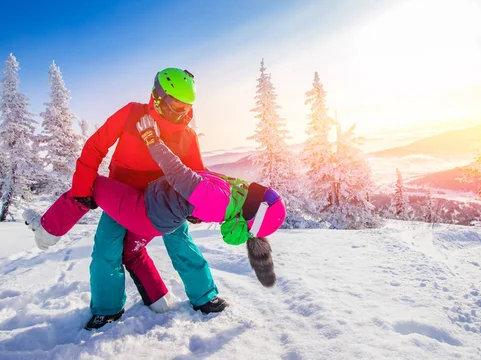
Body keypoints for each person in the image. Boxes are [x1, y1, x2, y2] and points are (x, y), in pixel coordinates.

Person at [24, 114, 286, 294]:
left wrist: (151, 138)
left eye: (265, 196)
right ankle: (158, 299)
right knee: (132, 254)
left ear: (256, 209)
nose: (262, 190)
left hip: (145, 211)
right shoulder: (236, 197)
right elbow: (203, 178)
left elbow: (178, 173)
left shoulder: (221, 202)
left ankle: (46, 232)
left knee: (91, 185)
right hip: (155, 209)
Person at [60, 68, 224, 330]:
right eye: (176, 104)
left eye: (187, 106)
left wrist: (196, 206)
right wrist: (82, 187)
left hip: (164, 200)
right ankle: (107, 309)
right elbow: (96, 146)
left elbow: (195, 174)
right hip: (122, 194)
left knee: (181, 242)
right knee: (106, 247)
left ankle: (205, 296)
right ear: (158, 97)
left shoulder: (187, 135)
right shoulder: (131, 114)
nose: (182, 112)